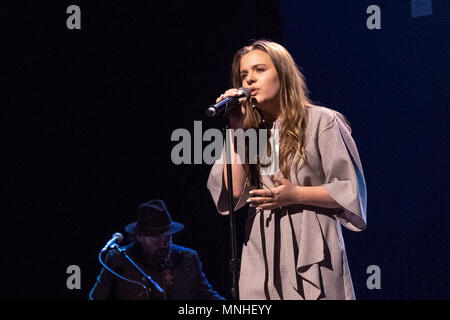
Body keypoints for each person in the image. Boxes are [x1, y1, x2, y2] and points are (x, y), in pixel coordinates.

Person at [207, 39, 367, 300]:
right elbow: (234, 192)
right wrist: (237, 127)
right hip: (262, 241)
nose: (249, 80)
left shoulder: (321, 121)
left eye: (259, 70)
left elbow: (350, 190)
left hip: (312, 241)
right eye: (243, 75)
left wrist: (295, 195)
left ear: (283, 73)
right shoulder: (248, 133)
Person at [89, 199, 224, 300]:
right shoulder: (119, 259)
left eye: (168, 237)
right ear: (140, 237)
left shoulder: (187, 258)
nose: (164, 243)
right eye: (157, 238)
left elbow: (208, 296)